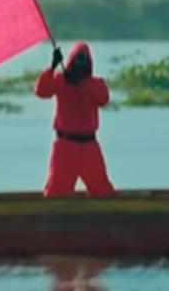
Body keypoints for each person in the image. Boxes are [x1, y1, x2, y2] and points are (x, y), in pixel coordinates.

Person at [35, 42, 115, 197]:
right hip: (65, 146)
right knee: (57, 192)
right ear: (70, 63)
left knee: (102, 191)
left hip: (89, 146)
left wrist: (82, 84)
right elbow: (41, 91)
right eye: (77, 64)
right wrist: (52, 67)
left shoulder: (96, 84)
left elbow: (103, 99)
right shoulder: (59, 80)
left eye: (83, 65)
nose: (80, 68)